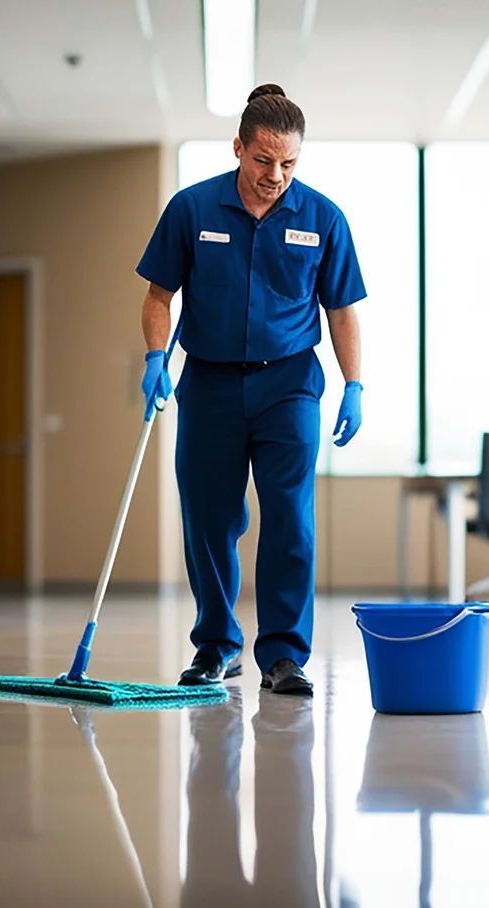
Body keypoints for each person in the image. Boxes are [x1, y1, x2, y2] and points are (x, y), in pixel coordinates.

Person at [135, 83, 366, 696]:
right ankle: (217, 647)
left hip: (289, 385)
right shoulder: (192, 210)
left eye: (289, 163)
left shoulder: (322, 217)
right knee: (209, 519)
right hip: (208, 384)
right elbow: (159, 295)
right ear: (238, 147)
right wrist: (156, 356)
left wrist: (355, 384)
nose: (275, 176)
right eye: (263, 160)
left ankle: (284, 656)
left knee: (290, 518)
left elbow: (342, 310)